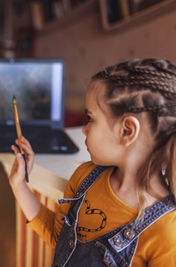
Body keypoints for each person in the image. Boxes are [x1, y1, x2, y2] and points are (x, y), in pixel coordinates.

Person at [9, 58, 176, 266]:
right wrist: (19, 185)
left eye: (91, 118)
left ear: (127, 131)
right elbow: (57, 236)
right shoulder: (84, 176)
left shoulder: (167, 232)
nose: (84, 129)